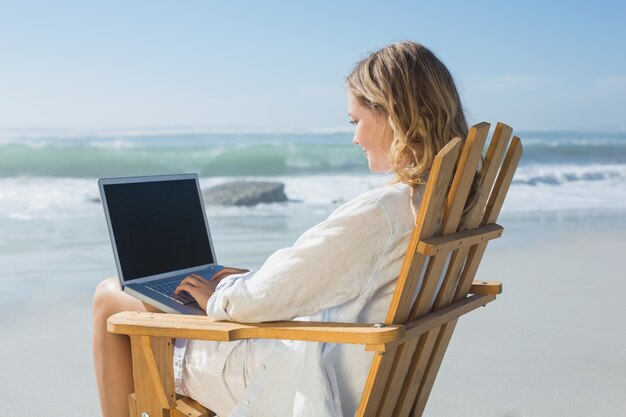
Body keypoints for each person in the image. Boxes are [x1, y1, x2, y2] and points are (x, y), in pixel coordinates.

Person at [92, 40, 479, 417]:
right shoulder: (441, 208)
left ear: (393, 114)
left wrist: (221, 295)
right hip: (362, 376)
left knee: (110, 296)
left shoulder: (384, 212)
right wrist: (249, 280)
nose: (355, 137)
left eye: (356, 120)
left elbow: (252, 303)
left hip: (302, 379)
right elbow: (321, 279)